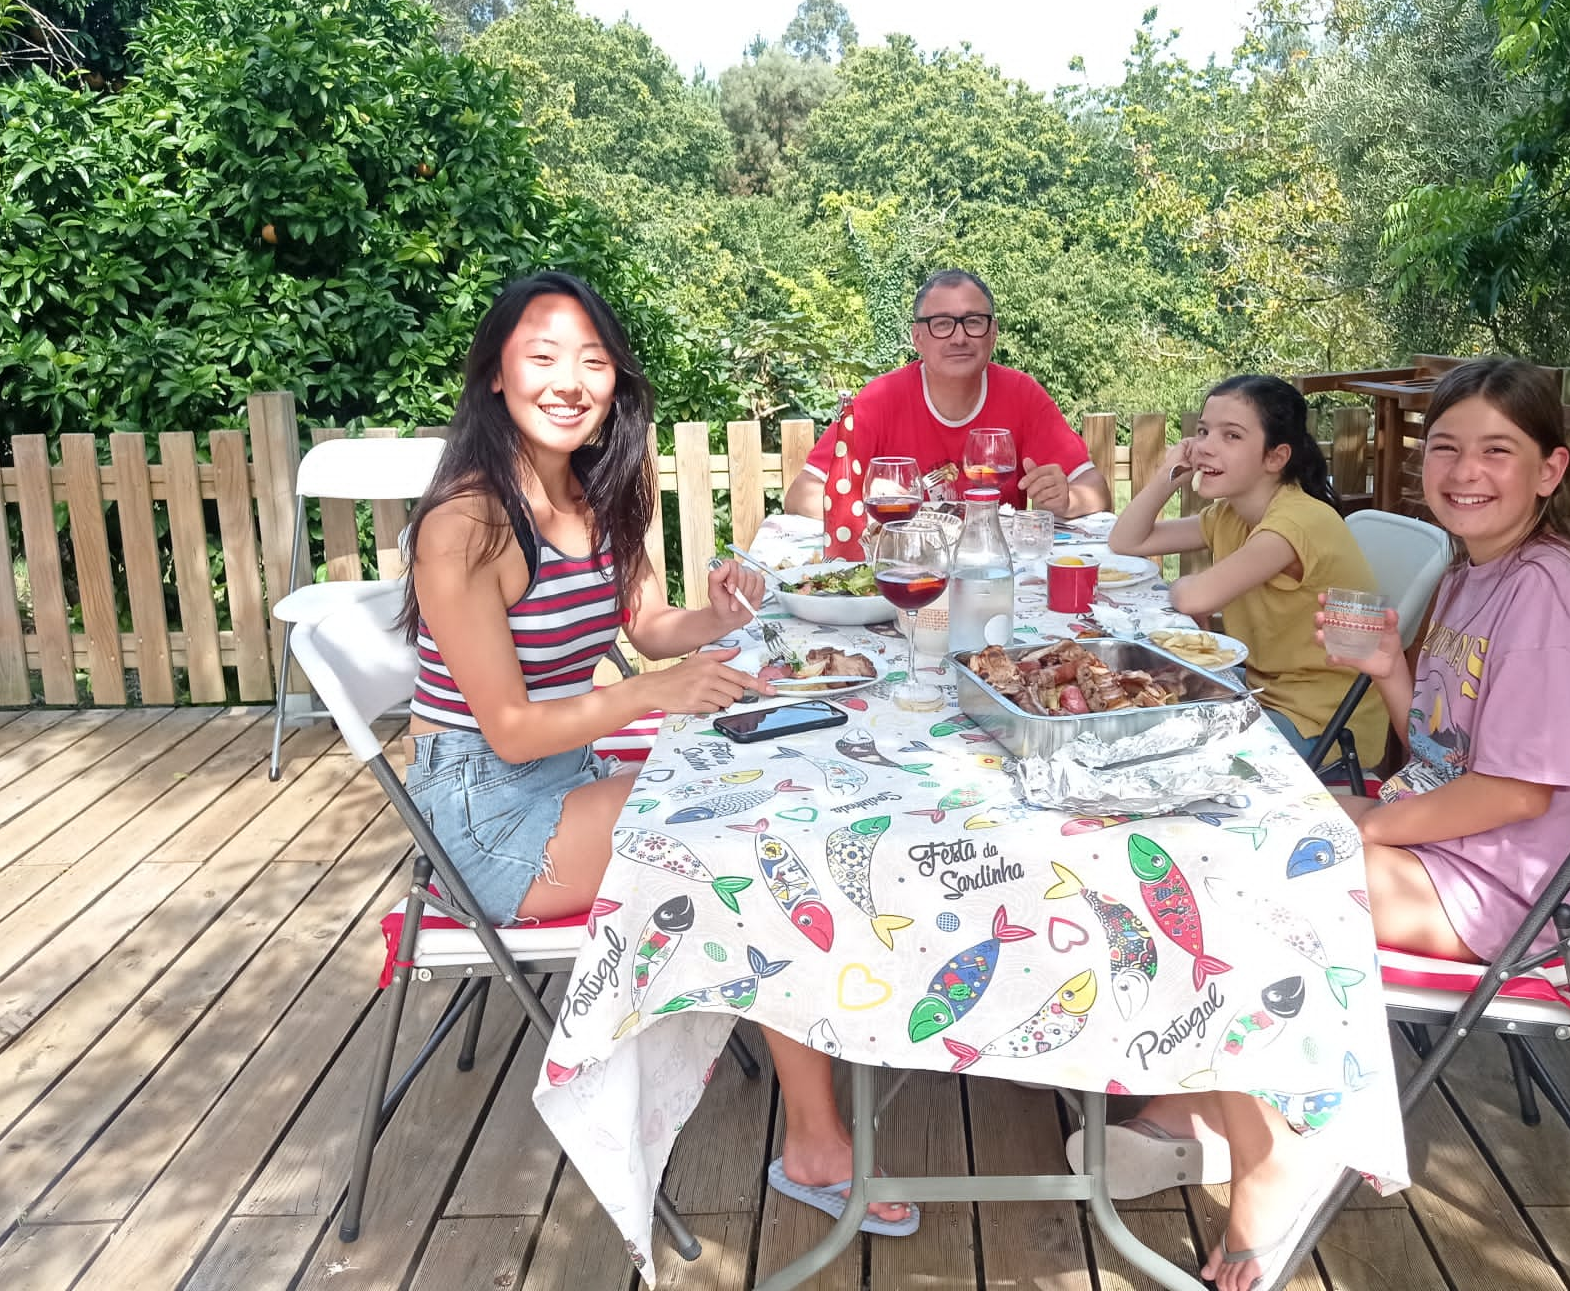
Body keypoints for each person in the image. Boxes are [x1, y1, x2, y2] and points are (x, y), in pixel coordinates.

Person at [1085, 358, 1570, 1290]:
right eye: (1447, 448)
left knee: (1228, 885)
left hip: (1498, 885)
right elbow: (1449, 741)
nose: (1465, 471)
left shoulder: (1541, 598)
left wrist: (1369, 826)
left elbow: (1515, 794)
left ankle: (1286, 1152)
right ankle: (1203, 1108)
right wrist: (1387, 669)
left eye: (1497, 452)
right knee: (1193, 844)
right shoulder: (1479, 570)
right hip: (1441, 836)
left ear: (1549, 470)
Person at [401, 271, 918, 1236]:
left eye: (592, 361)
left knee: (766, 790)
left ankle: (817, 1071)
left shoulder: (599, 491)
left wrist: (716, 618)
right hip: (487, 809)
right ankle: (814, 1140)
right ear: (496, 377)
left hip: (567, 774)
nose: (569, 380)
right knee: (754, 846)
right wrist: (647, 694)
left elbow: (648, 628)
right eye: (542, 356)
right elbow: (509, 727)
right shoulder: (464, 522)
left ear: (617, 382)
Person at [1108, 374, 1387, 767]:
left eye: (1231, 436)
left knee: (1164, 754)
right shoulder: (1231, 514)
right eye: (1203, 431)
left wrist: (1184, 589)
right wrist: (1168, 474)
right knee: (1134, 703)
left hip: (1319, 718)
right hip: (1258, 690)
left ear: (1276, 457)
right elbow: (1126, 541)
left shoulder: (1297, 522)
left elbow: (1193, 596)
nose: (1205, 446)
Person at [783, 268, 1111, 558]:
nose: (959, 337)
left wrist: (1067, 500)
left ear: (993, 332)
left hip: (992, 568)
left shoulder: (1023, 395)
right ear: (918, 338)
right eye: (942, 324)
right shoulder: (880, 399)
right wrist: (869, 508)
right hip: (906, 567)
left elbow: (1096, 492)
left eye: (973, 322)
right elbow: (802, 495)